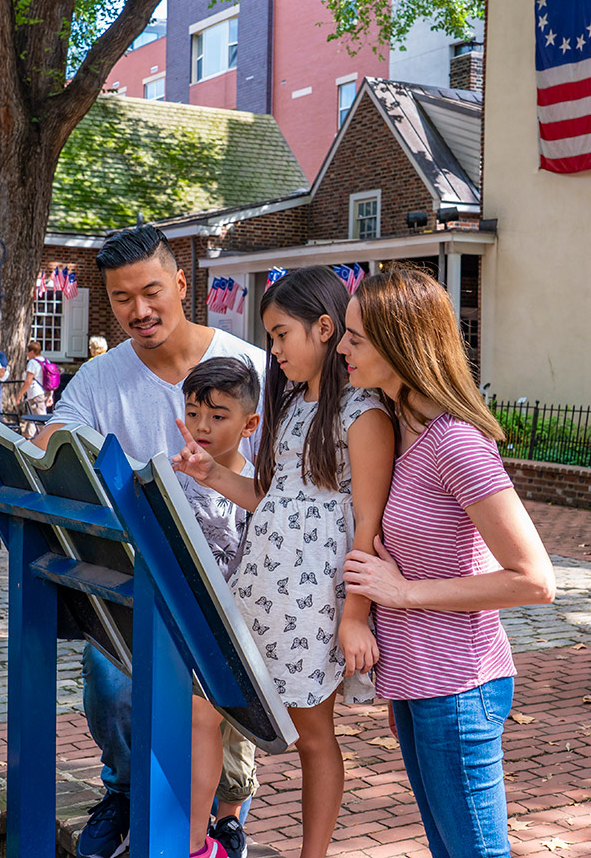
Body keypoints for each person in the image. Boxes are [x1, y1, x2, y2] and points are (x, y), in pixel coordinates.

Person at [0, 225, 265, 858]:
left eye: (150, 292)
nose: (138, 311)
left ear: (180, 284)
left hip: (233, 574)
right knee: (110, 682)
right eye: (120, 298)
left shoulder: (250, 365)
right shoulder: (97, 379)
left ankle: (222, 817)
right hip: (132, 575)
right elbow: (47, 452)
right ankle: (124, 788)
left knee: (226, 707)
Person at [173, 266, 394, 858]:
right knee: (205, 705)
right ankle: (197, 844)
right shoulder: (292, 403)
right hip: (259, 582)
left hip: (313, 600)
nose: (272, 349)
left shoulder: (363, 414)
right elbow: (273, 497)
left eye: (280, 334)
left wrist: (355, 615)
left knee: (312, 736)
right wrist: (213, 474)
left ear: (324, 329)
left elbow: (368, 527)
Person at [337, 267, 557, 858]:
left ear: (399, 343)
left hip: (459, 686)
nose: (341, 347)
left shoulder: (454, 443)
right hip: (421, 684)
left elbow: (535, 581)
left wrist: (404, 593)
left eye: (355, 338)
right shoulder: (400, 427)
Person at [180, 357, 263, 858]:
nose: (202, 427)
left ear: (249, 424)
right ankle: (194, 838)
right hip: (192, 623)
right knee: (200, 721)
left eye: (218, 416)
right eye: (193, 414)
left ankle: (229, 824)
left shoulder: (255, 487)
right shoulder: (175, 473)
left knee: (238, 733)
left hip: (243, 627)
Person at [20, 340, 50, 439]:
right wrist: (51, 395)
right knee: (33, 415)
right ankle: (28, 435)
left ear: (32, 352)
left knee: (40, 417)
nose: (27, 354)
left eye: (27, 352)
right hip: (45, 392)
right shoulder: (45, 361)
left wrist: (20, 394)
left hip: (35, 393)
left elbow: (28, 381)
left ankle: (45, 438)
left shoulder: (33, 363)